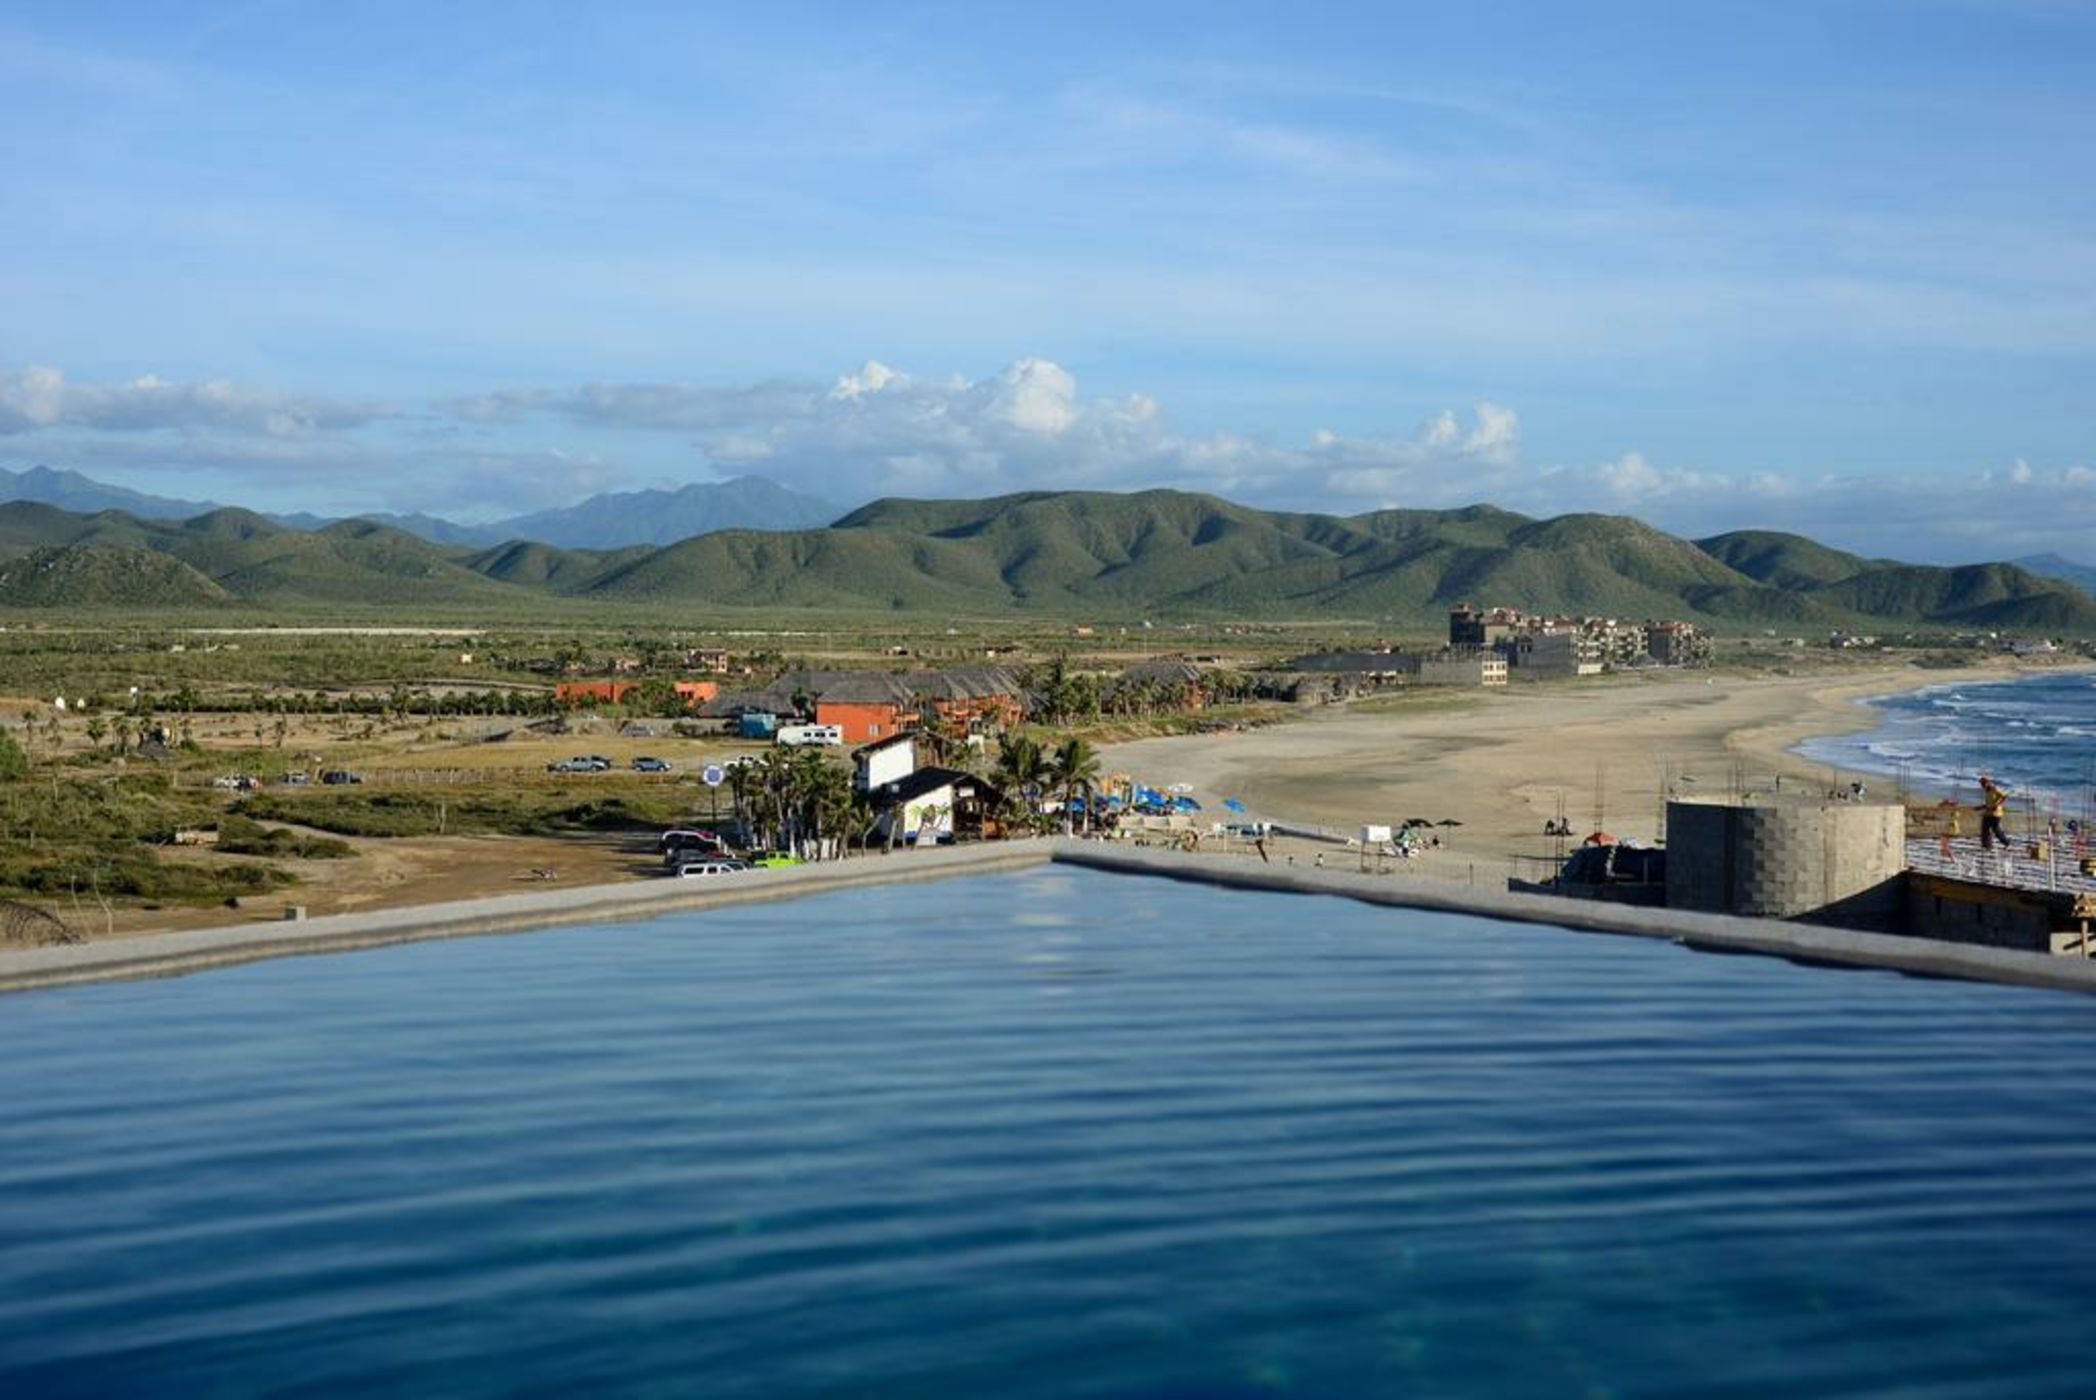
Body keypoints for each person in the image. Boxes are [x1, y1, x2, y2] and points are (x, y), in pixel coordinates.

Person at [1978, 774, 2010, 852]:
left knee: (1996, 830)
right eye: (1981, 784)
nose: (1982, 786)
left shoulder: (1994, 788)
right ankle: (1986, 845)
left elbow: (2004, 796)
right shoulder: (1987, 791)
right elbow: (1989, 803)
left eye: (1983, 783)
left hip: (1996, 813)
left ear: (1988, 782)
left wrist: (1996, 804)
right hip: (1988, 812)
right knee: (1984, 829)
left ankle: (2006, 842)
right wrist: (1981, 807)